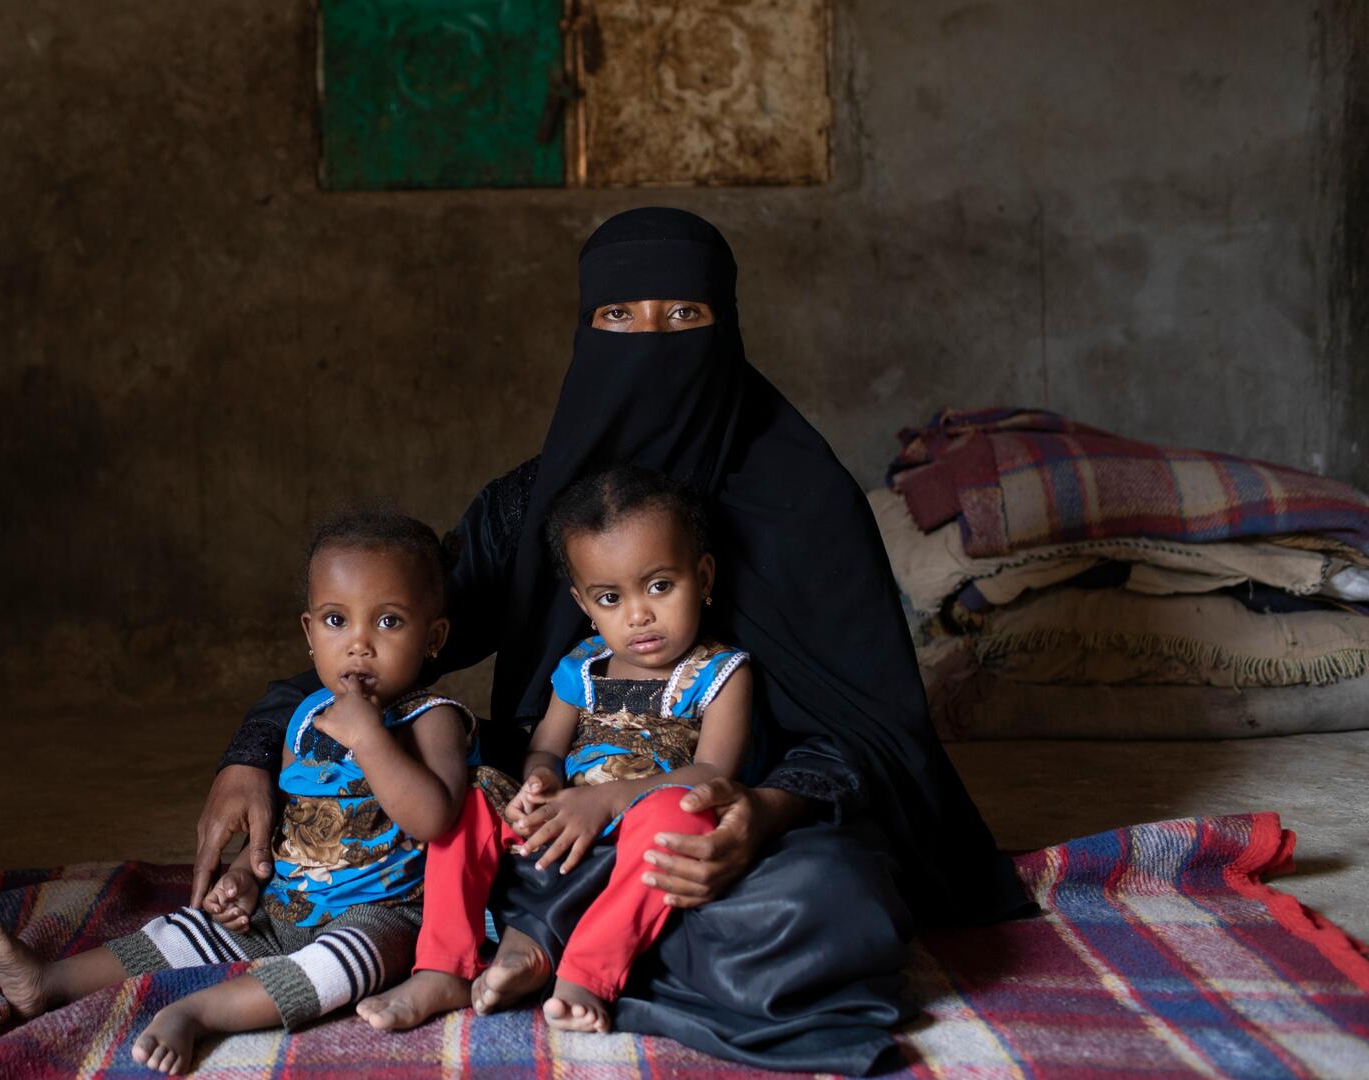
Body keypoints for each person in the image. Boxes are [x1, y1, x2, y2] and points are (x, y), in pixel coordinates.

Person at [195, 207, 1030, 1072]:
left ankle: (549, 950)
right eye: (619, 317)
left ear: (726, 324)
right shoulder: (534, 507)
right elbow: (396, 639)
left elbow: (876, 732)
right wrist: (254, 746)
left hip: (728, 826)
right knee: (445, 832)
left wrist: (759, 814)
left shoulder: (804, 502)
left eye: (684, 317)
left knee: (827, 907)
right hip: (551, 818)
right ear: (585, 329)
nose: (651, 339)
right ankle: (521, 947)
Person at [0, 509, 496, 1075]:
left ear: (435, 638)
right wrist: (248, 877)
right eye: (335, 620)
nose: (359, 645)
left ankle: (201, 1013)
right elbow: (290, 821)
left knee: (345, 966)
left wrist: (371, 738)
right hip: (285, 907)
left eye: (389, 622)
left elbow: (435, 819)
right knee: (187, 930)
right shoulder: (305, 718)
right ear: (308, 632)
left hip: (382, 912)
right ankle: (49, 981)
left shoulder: (433, 720)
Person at [359, 464, 760, 1035]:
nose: (638, 614)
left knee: (688, 815)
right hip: (565, 818)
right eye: (609, 597)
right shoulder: (581, 667)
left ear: (703, 575)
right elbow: (544, 748)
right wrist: (539, 784)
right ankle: (444, 964)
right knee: (469, 802)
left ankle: (591, 969)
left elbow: (714, 771)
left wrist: (611, 800)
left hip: (640, 818)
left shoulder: (720, 673)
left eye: (659, 586)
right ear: (584, 603)